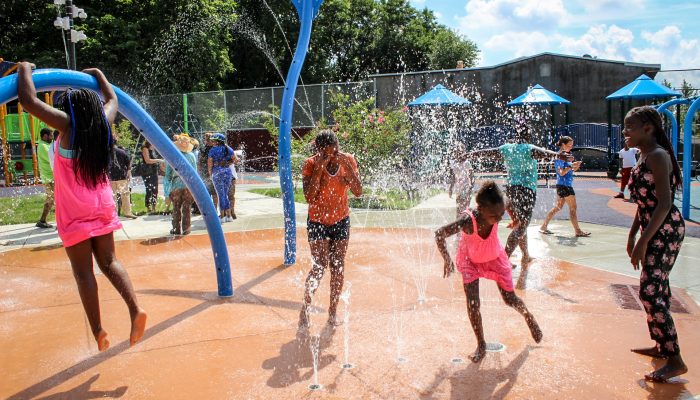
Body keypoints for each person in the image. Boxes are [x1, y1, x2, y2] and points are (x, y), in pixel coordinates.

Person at [17, 62, 146, 351]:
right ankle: (135, 309)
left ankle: (99, 330)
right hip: (101, 205)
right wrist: (100, 74)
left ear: (69, 111)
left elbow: (28, 100)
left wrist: (25, 68)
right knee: (110, 262)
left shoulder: (66, 127)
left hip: (74, 211)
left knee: (84, 273)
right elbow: (112, 100)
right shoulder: (103, 124)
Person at [434, 181, 542, 362]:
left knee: (510, 299)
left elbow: (507, 203)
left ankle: (528, 316)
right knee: (473, 304)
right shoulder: (468, 221)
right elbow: (439, 233)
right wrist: (447, 258)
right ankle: (481, 344)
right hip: (470, 262)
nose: (499, 219)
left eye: (501, 214)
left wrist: (514, 217)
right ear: (480, 208)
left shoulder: (500, 205)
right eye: (494, 215)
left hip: (494, 258)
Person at [624, 106, 687, 382]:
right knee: (656, 289)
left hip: (666, 230)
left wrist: (643, 242)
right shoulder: (643, 155)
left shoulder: (658, 156)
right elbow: (643, 203)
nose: (625, 132)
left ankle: (675, 359)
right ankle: (662, 345)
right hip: (653, 228)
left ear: (648, 128)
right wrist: (632, 235)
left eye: (630, 127)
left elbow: (664, 203)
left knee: (650, 292)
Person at [469, 124, 569, 268]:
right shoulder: (528, 148)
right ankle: (503, 259)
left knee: (521, 223)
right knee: (521, 226)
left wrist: (470, 154)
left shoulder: (507, 148)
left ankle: (525, 255)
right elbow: (545, 152)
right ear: (528, 136)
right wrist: (559, 155)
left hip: (511, 190)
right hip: (526, 190)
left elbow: (487, 152)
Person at [299, 130, 362, 328]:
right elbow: (309, 197)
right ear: (318, 151)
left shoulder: (348, 160)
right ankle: (306, 306)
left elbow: (358, 192)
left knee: (337, 266)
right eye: (325, 154)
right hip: (317, 220)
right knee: (319, 266)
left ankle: (333, 311)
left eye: (334, 151)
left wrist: (347, 169)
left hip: (341, 219)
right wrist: (319, 168)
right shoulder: (311, 164)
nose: (331, 156)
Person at [539, 136, 590, 237]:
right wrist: (571, 166)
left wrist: (575, 166)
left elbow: (570, 170)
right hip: (564, 185)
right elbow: (561, 172)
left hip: (563, 185)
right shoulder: (559, 156)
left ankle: (543, 226)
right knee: (573, 208)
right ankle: (577, 231)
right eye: (569, 145)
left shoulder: (566, 156)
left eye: (572, 145)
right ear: (563, 144)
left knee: (558, 207)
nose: (571, 147)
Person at [165, 134, 198, 235]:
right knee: (187, 208)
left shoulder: (172, 157)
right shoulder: (192, 156)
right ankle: (186, 229)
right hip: (188, 186)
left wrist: (166, 193)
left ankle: (176, 228)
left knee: (176, 207)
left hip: (176, 186)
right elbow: (194, 173)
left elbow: (168, 175)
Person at [208, 133, 235, 221]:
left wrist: (210, 173)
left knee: (220, 195)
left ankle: (222, 216)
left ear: (217, 141)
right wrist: (227, 163)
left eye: (213, 140)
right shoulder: (229, 149)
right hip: (227, 172)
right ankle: (229, 216)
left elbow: (210, 163)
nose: (212, 142)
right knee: (225, 194)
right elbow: (235, 160)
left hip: (217, 172)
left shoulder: (212, 150)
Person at [109, 139, 137, 219]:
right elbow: (128, 164)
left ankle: (114, 213)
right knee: (125, 195)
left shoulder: (106, 152)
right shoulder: (122, 152)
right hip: (122, 176)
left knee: (112, 196)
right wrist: (128, 173)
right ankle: (127, 212)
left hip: (111, 177)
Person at [36, 127, 55, 228]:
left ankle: (42, 220)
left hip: (49, 177)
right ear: (45, 136)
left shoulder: (46, 145)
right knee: (53, 199)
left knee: (51, 199)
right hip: (49, 178)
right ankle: (42, 221)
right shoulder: (43, 146)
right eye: (51, 135)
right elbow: (53, 157)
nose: (52, 137)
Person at [448, 149, 475, 218]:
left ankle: (465, 218)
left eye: (461, 153)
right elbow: (453, 177)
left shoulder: (467, 163)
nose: (459, 155)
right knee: (458, 204)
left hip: (466, 187)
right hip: (458, 187)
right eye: (457, 153)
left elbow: (471, 175)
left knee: (465, 204)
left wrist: (471, 186)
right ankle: (459, 219)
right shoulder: (454, 164)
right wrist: (451, 188)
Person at [141, 141, 162, 214]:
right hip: (147, 172)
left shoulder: (153, 149)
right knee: (149, 189)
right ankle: (148, 206)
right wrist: (158, 160)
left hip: (154, 171)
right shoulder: (145, 149)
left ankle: (154, 206)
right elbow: (147, 160)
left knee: (155, 189)